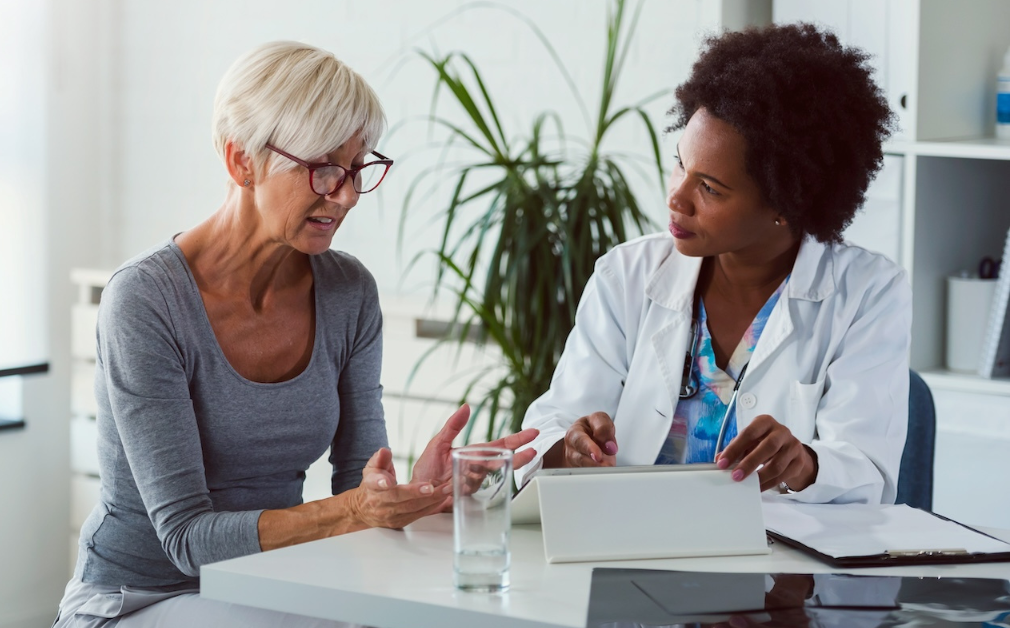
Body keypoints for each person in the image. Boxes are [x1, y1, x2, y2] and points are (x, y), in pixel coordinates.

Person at [54, 41, 538, 627]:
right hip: (137, 598)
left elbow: (360, 489)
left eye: (358, 169)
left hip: (272, 589)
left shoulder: (348, 292)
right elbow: (186, 538)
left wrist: (412, 497)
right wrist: (360, 509)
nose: (347, 194)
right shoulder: (147, 301)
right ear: (242, 162)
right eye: (324, 169)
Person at [516, 23, 906, 505]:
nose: (676, 197)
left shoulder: (867, 293)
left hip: (781, 569)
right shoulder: (626, 276)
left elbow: (867, 471)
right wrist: (569, 447)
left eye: (710, 188)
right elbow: (546, 429)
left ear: (787, 203)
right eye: (681, 163)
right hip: (631, 555)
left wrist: (805, 464)